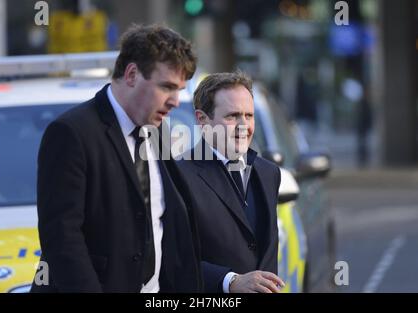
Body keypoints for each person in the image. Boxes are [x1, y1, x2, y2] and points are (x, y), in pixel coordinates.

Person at [31, 24, 202, 293]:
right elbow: (63, 239)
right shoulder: (71, 133)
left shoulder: (158, 130)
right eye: (167, 87)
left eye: (180, 89)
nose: (175, 101)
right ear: (132, 74)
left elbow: (164, 223)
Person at [177, 72, 285, 293]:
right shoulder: (178, 176)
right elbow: (173, 259)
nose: (243, 125)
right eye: (232, 116)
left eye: (249, 115)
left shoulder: (268, 173)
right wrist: (230, 281)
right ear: (202, 119)